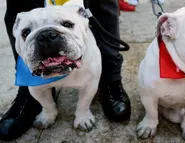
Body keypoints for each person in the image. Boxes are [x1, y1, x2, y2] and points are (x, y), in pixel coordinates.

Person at [0, 0, 131, 141]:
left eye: (67, 25)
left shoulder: (78, 13)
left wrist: (83, 111)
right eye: (26, 32)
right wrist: (48, 112)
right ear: (16, 30)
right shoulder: (20, 18)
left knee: (100, 3)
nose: (48, 39)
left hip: (88, 60)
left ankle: (109, 78)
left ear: (84, 18)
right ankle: (38, 101)